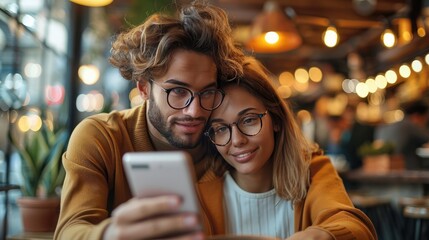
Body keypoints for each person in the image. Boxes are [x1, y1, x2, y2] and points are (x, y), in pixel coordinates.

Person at [54, 1, 244, 239]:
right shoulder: (101, 136)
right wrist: (109, 235)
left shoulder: (228, 141)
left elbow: (297, 162)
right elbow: (70, 230)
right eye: (178, 91)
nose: (195, 111)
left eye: (207, 92)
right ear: (144, 88)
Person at [198, 57, 377, 239]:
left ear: (275, 119)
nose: (236, 140)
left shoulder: (313, 171)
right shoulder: (202, 194)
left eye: (249, 120)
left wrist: (321, 235)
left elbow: (356, 228)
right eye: (220, 129)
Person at [375, 99, 429, 170]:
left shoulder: (384, 127)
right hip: (406, 170)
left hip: (382, 168)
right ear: (417, 116)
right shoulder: (409, 125)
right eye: (425, 119)